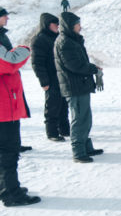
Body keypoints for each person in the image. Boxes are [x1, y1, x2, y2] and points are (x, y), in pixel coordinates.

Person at [0, 7, 41, 206]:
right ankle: (11, 193)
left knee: (6, 150)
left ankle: (7, 187)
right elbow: (9, 62)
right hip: (3, 106)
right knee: (8, 150)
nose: (7, 17)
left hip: (5, 102)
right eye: (3, 14)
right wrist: (23, 49)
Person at [54, 12, 104, 163]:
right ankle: (78, 151)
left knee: (85, 118)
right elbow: (74, 65)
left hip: (80, 85)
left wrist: (91, 67)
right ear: (70, 25)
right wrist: (92, 69)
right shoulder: (65, 42)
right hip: (74, 86)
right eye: (77, 24)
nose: (80, 27)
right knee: (79, 118)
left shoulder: (71, 40)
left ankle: (86, 146)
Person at [31, 13, 70, 142]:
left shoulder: (57, 37)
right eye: (55, 24)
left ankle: (64, 129)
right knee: (52, 105)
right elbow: (37, 62)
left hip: (61, 76)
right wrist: (44, 81)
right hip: (50, 78)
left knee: (63, 104)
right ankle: (52, 132)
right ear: (47, 25)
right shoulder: (39, 39)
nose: (58, 26)